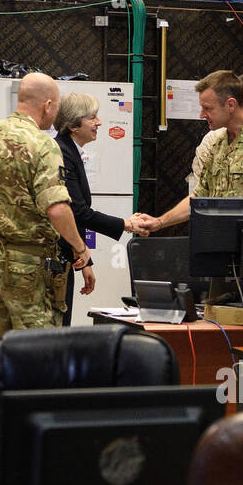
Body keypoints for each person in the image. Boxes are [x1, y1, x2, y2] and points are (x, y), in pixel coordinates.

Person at [0, 72, 94, 342]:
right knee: (36, 348)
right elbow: (57, 209)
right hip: (29, 265)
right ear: (48, 105)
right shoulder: (42, 144)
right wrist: (80, 247)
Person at [141, 69, 243, 233]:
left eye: (208, 108)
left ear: (231, 104)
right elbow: (199, 197)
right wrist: (159, 222)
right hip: (221, 244)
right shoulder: (218, 144)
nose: (202, 114)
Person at [52, 92, 151, 324]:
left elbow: (72, 216)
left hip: (66, 258)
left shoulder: (70, 150)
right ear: (74, 125)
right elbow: (77, 211)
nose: (99, 123)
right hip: (54, 262)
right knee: (55, 333)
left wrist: (84, 259)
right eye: (92, 117)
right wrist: (126, 225)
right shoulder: (62, 152)